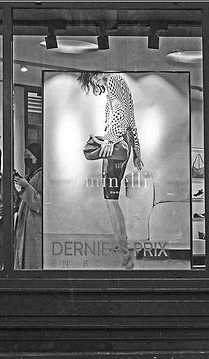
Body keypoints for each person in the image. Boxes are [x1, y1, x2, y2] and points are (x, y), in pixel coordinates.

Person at [77, 72, 144, 270]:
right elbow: (131, 123)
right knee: (112, 201)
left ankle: (124, 253)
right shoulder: (122, 84)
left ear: (97, 75)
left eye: (95, 81)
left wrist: (109, 139)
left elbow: (120, 112)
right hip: (124, 145)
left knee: (111, 201)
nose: (97, 85)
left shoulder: (114, 80)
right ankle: (124, 247)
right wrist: (137, 153)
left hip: (116, 145)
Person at [14, 143, 43, 269]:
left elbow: (40, 202)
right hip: (25, 220)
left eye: (29, 157)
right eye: (25, 157)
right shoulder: (31, 175)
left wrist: (26, 186)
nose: (27, 160)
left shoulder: (41, 175)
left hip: (34, 222)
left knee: (32, 254)